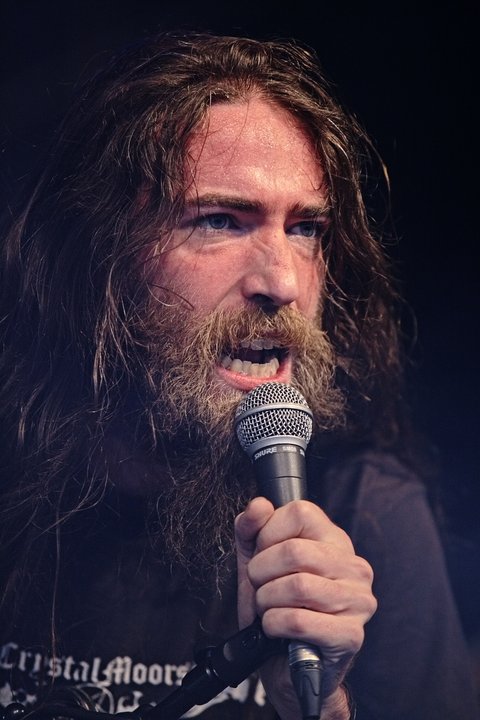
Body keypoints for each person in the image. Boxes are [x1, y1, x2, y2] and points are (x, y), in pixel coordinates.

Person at [0, 31, 477, 720]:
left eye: (306, 229)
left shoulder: (368, 509)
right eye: (221, 220)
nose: (283, 282)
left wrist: (320, 705)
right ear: (99, 258)